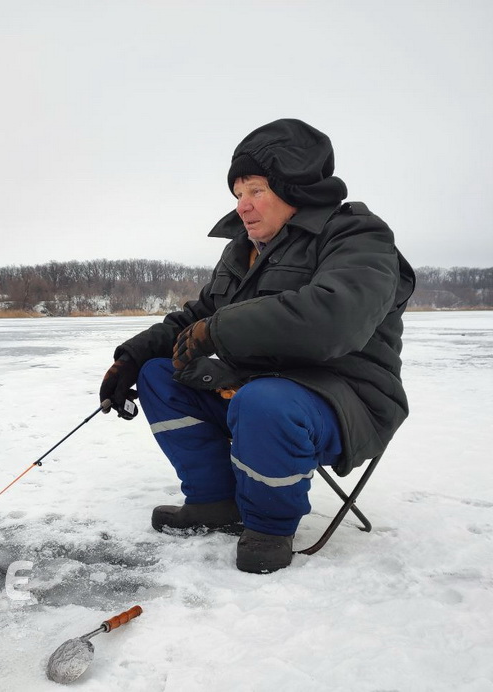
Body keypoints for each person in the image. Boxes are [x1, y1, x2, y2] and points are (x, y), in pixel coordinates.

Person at [99, 118, 415, 574]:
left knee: (264, 400)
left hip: (347, 397)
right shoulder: (241, 251)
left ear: (295, 189)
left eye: (256, 190)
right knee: (158, 375)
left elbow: (334, 320)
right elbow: (197, 316)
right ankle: (215, 502)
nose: (243, 206)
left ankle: (270, 527)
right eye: (237, 194)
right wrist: (132, 355)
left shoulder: (357, 236)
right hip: (258, 385)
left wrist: (220, 330)